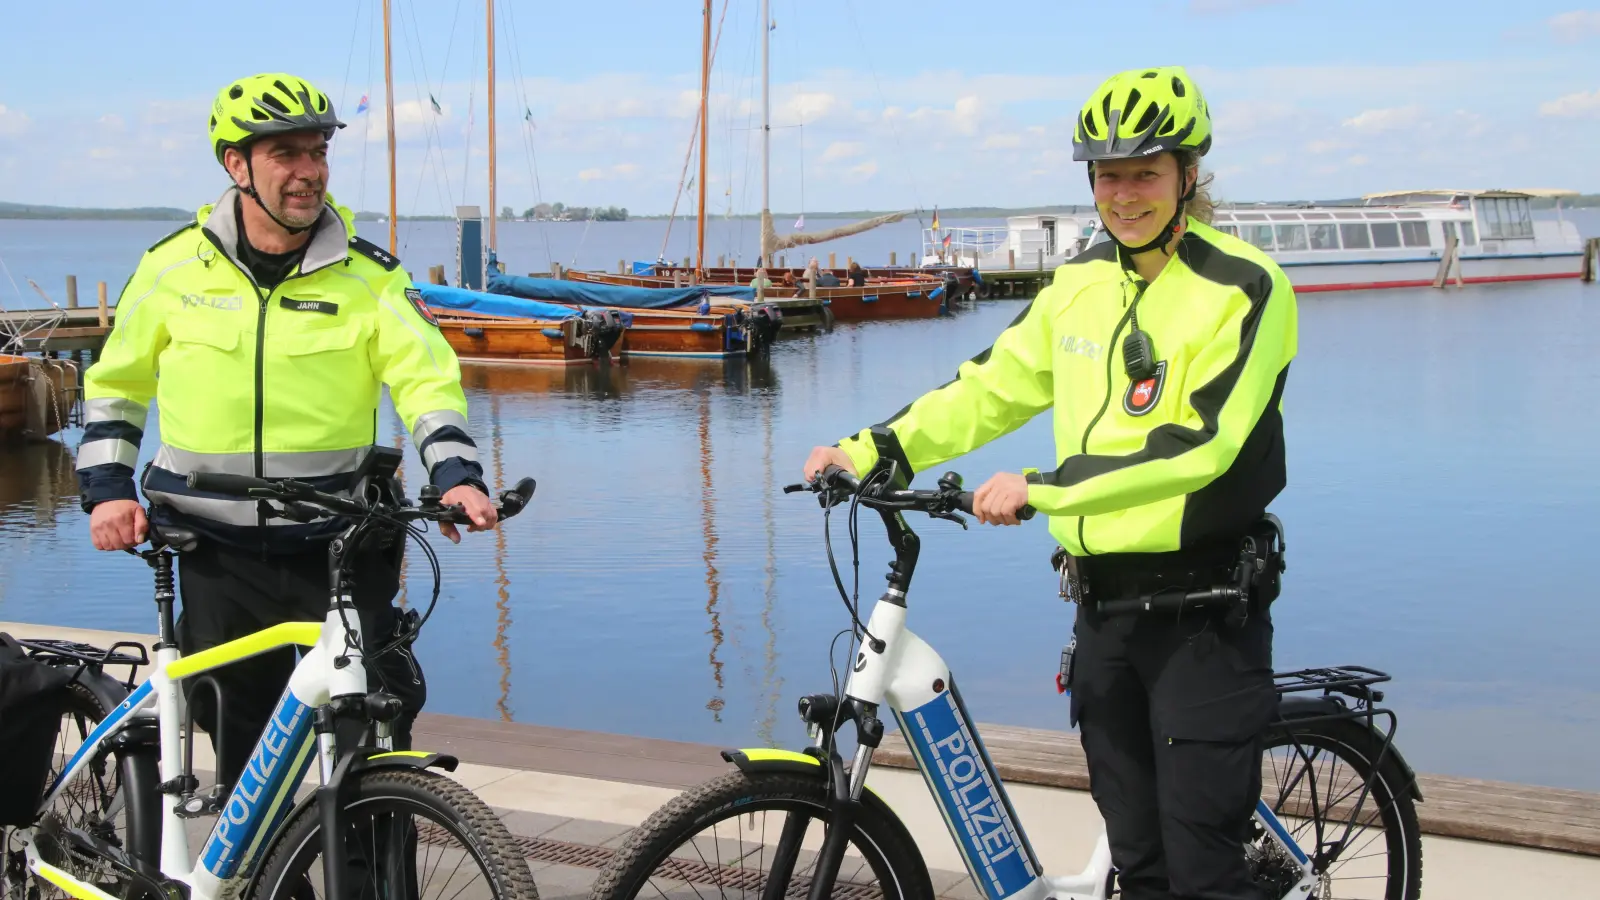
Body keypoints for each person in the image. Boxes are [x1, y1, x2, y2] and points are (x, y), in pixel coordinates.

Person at [803, 66, 1296, 900]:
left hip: (1204, 614)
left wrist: (1045, 488)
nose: (1125, 193)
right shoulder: (1079, 285)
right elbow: (991, 388)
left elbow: (1197, 448)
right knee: (1140, 868)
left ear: (1187, 174)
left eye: (1145, 171)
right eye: (1107, 174)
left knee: (1205, 873)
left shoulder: (1245, 288)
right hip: (1103, 611)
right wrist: (874, 448)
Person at [76, 72, 499, 789]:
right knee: (240, 734)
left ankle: (372, 874)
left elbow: (427, 382)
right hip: (214, 545)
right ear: (235, 166)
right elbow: (116, 387)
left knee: (371, 723)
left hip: (341, 542)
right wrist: (108, 490)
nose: (309, 173)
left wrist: (456, 476)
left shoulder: (370, 278)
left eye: (318, 153)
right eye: (286, 156)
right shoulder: (170, 268)